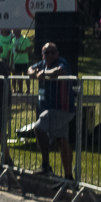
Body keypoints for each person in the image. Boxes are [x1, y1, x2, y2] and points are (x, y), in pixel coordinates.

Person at [27, 42, 74, 178]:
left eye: (52, 52)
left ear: (57, 53)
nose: (49, 55)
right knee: (62, 140)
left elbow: (61, 71)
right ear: (42, 55)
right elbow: (30, 69)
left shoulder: (62, 62)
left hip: (62, 109)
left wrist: (44, 74)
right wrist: (35, 72)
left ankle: (45, 165)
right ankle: (68, 176)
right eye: (46, 53)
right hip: (48, 108)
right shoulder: (41, 64)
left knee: (38, 128)